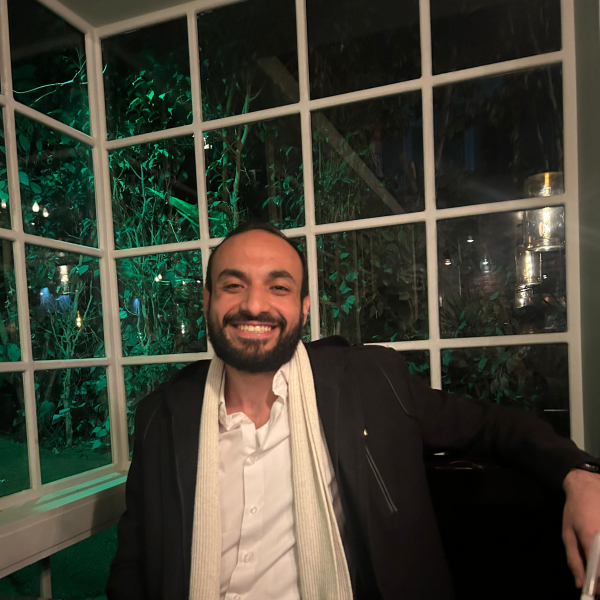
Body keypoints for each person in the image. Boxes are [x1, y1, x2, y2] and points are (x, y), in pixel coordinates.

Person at [107, 221, 600, 600]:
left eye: (278, 287)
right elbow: (133, 565)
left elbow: (492, 425)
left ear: (304, 307)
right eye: (233, 285)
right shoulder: (160, 417)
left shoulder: (370, 382)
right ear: (208, 300)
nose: (254, 305)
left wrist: (578, 474)